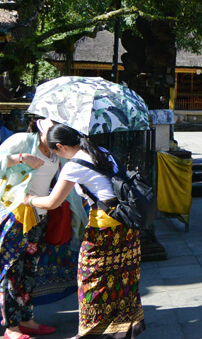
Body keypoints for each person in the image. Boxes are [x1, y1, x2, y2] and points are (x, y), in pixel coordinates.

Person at [22, 123, 145, 338]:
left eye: (54, 151)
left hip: (104, 230)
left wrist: (29, 199)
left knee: (90, 278)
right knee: (123, 277)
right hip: (126, 226)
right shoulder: (101, 151)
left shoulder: (73, 165)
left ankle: (90, 332)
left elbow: (52, 202)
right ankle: (123, 329)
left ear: (60, 146)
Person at [0, 119, 86, 339]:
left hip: (40, 216)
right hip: (16, 215)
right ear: (41, 130)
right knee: (12, 271)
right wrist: (20, 158)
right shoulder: (22, 141)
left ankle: (27, 320)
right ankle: (11, 327)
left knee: (30, 269)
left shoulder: (58, 151)